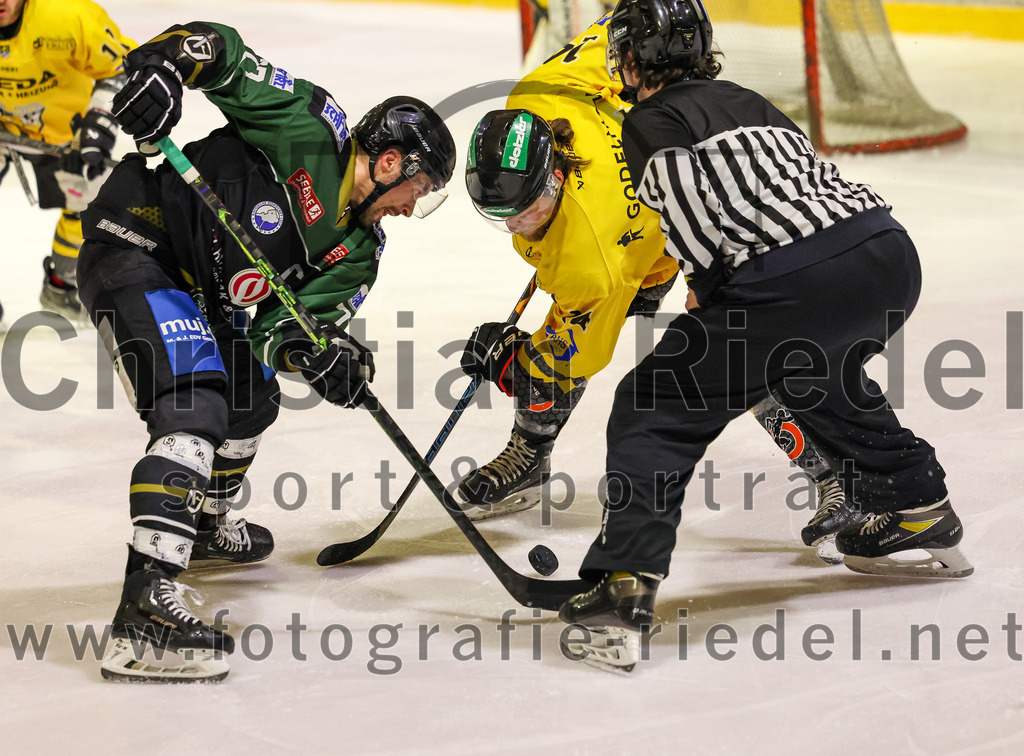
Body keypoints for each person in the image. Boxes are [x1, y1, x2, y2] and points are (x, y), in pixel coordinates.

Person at [556, 0, 972, 674]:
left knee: (655, 401)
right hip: (887, 255)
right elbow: (798, 181)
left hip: (795, 278)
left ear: (630, 61)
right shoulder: (749, 97)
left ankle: (622, 587)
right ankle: (913, 501)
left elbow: (683, 198)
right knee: (812, 367)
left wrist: (711, 284)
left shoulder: (651, 118)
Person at [77, 21, 455, 683]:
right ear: (393, 162)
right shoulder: (308, 123)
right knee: (195, 404)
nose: (407, 207)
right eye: (416, 192)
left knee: (251, 400)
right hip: (138, 248)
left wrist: (320, 353)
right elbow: (216, 50)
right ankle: (143, 614)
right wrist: (166, 66)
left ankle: (202, 524)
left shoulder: (359, 255)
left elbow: (280, 330)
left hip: (207, 298)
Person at [458, 13, 857, 564]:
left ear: (552, 176)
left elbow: (574, 356)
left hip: (706, 225)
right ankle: (530, 455)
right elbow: (618, 35)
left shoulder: (586, 263)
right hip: (655, 213)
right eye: (500, 213)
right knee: (593, 315)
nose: (513, 225)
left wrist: (510, 363)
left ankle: (836, 473)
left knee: (739, 348)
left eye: (525, 210)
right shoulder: (543, 92)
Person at [0, 0, 133, 322]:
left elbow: (125, 66)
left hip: (67, 132)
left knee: (85, 208)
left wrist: (99, 121)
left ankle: (62, 284)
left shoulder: (68, 15)